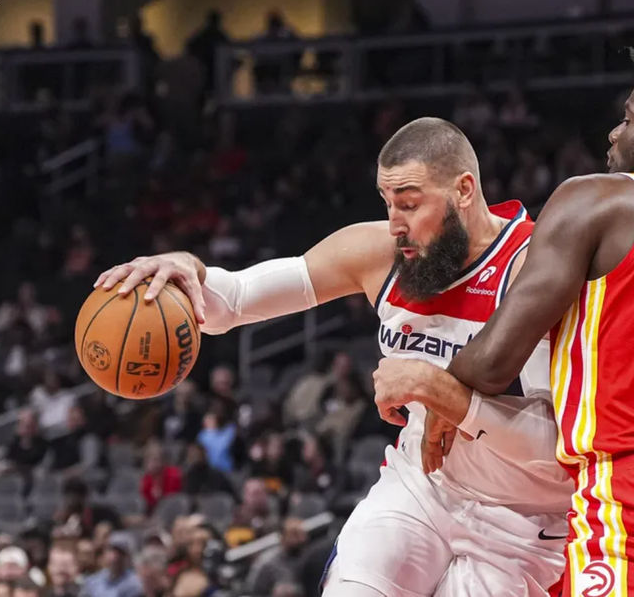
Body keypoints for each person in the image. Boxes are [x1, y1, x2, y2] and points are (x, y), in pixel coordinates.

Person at [93, 116, 570, 596]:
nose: (395, 225)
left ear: (464, 191)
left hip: (522, 517)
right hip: (423, 488)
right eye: (387, 204)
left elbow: (561, 449)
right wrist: (186, 270)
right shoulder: (380, 252)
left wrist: (442, 392)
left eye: (409, 204)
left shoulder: (538, 268)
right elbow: (234, 300)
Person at [373, 30, 634, 597]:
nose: (615, 131)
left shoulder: (599, 200)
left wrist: (435, 391)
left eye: (629, 119)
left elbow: (492, 362)